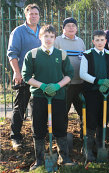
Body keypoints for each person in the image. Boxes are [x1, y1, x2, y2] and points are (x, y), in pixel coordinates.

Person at [21, 25, 75, 170]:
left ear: (55, 38)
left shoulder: (61, 54)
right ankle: (39, 160)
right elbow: (26, 77)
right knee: (38, 127)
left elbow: (70, 74)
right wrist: (42, 86)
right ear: (40, 37)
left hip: (58, 97)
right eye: (46, 36)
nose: (49, 39)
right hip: (39, 96)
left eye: (52, 36)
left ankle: (64, 157)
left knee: (60, 126)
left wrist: (58, 86)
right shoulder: (32, 54)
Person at [7, 3, 41, 150]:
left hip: (40, 77)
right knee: (19, 107)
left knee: (37, 108)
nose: (33, 16)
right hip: (24, 76)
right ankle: (16, 138)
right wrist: (17, 72)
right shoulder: (18, 32)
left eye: (36, 14)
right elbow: (12, 53)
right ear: (26, 15)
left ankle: (37, 137)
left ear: (39, 16)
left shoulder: (42, 31)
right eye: (31, 14)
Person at [79, 30, 109, 162]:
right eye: (97, 40)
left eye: (102, 40)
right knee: (91, 120)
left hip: (105, 93)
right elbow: (82, 73)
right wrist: (97, 81)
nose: (100, 42)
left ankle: (100, 146)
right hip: (91, 93)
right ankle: (87, 149)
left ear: (106, 41)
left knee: (103, 119)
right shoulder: (87, 55)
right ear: (93, 41)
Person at [54, 17, 86, 133]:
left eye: (73, 25)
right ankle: (61, 137)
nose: (71, 28)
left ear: (77, 29)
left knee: (83, 112)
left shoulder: (80, 42)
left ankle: (85, 137)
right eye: (68, 26)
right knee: (62, 112)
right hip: (64, 85)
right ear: (63, 29)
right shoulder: (57, 41)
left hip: (79, 83)